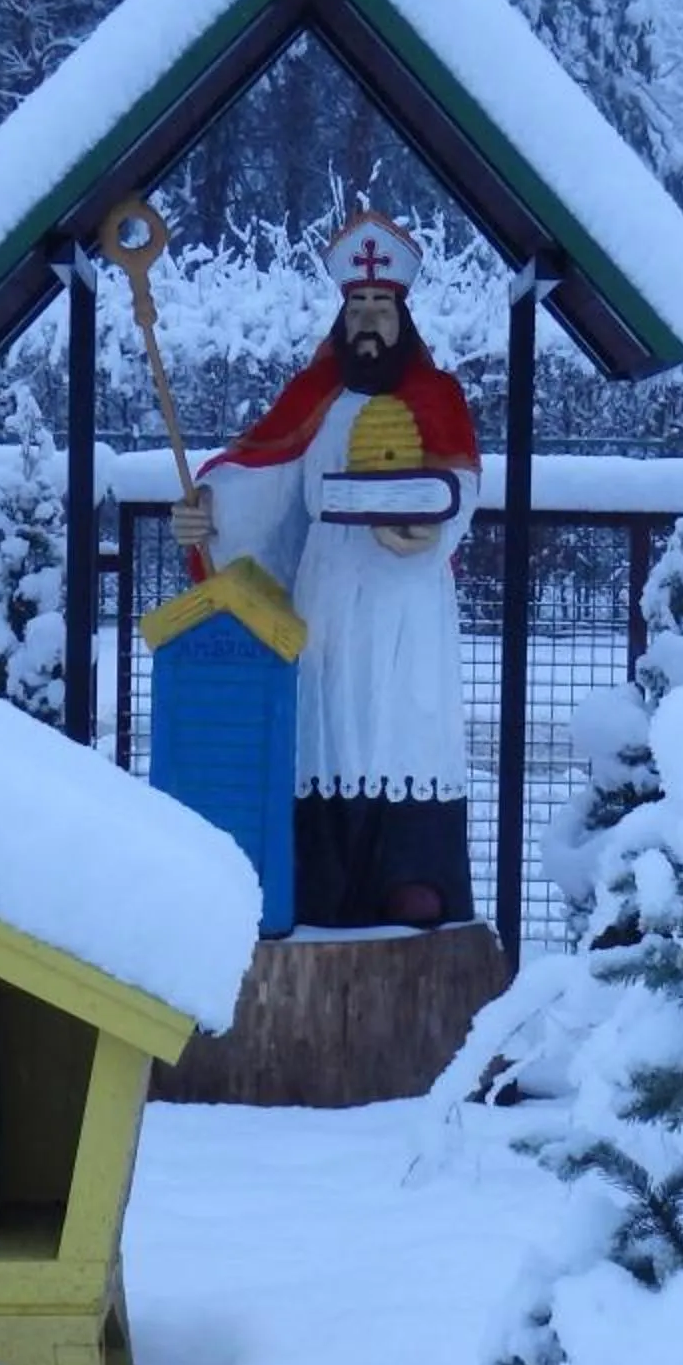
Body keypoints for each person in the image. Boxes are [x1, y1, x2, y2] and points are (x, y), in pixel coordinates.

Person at [170, 210, 480, 928]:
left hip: (410, 601)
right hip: (331, 593)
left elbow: (462, 482)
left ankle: (413, 875)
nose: (370, 321)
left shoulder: (437, 398)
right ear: (342, 320)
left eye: (382, 307)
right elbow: (268, 484)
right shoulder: (317, 399)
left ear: (404, 316)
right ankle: (326, 884)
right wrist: (209, 511)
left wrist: (430, 522)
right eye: (358, 308)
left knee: (407, 727)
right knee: (327, 725)